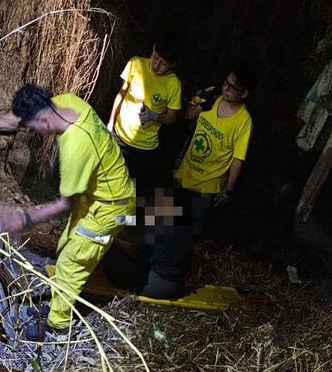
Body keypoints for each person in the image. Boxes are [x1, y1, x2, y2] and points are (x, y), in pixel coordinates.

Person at [0, 84, 135, 340]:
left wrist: (22, 218)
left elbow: (62, 204)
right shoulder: (65, 102)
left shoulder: (75, 146)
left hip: (111, 208)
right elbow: (18, 118)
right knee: (67, 245)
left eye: (33, 128)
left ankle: (57, 326)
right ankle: (67, 293)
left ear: (44, 120)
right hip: (97, 196)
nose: (32, 133)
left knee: (72, 262)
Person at [175, 63, 255, 240]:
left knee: (195, 225)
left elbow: (237, 158)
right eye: (226, 83)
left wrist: (228, 189)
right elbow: (187, 115)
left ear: (244, 93)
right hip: (186, 171)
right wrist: (202, 105)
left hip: (209, 183)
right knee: (172, 214)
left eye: (233, 88)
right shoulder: (211, 95)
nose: (226, 88)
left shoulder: (244, 122)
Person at [107, 33, 182, 192]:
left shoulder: (174, 84)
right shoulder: (136, 63)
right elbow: (121, 93)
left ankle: (124, 219)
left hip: (144, 148)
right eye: (155, 57)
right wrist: (110, 124)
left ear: (172, 65)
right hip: (119, 136)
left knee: (130, 191)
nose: (156, 65)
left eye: (163, 63)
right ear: (153, 49)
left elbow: (171, 118)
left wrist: (154, 115)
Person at [102, 187, 193, 300]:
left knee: (107, 249)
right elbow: (135, 220)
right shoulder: (176, 220)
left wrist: (111, 239)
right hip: (176, 281)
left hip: (160, 286)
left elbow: (135, 251)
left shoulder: (159, 230)